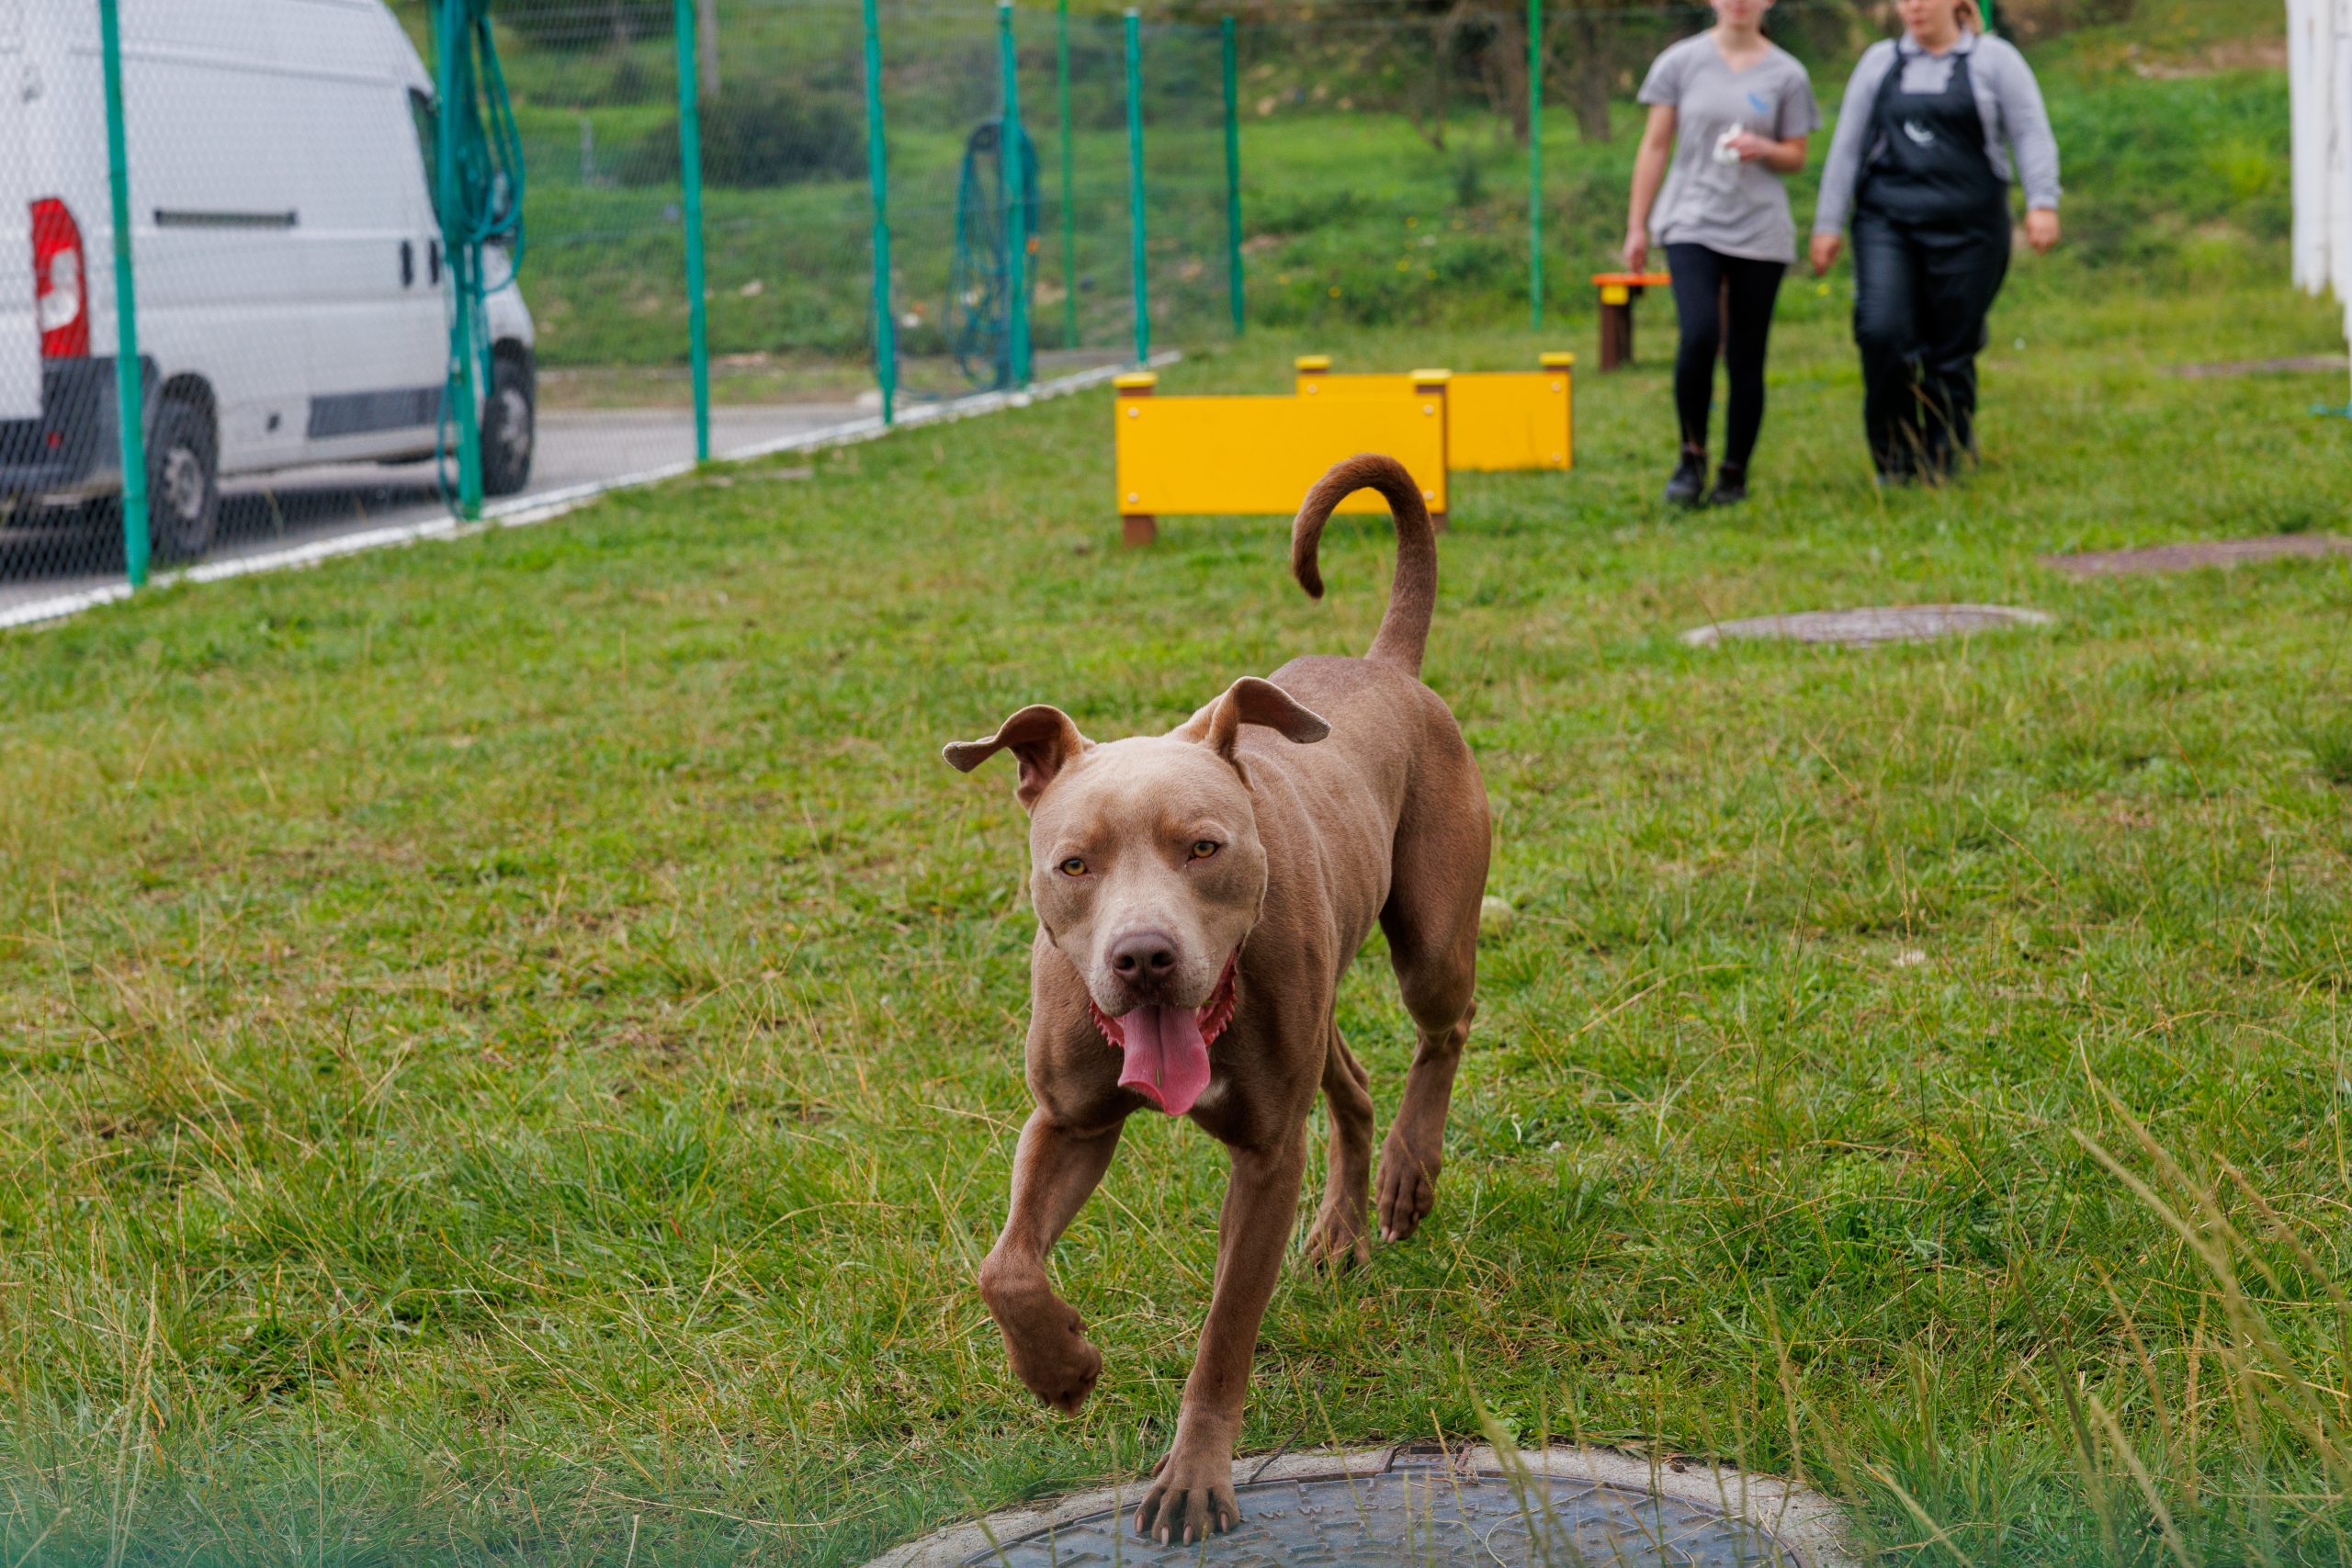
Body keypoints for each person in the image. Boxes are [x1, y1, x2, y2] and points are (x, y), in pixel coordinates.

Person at [1811, 0, 2061, 481]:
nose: (1915, 7)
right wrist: (1827, 223)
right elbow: (1846, 147)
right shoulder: (1879, 64)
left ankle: (1944, 454)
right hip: (1888, 223)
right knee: (1882, 331)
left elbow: (2030, 132)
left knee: (1951, 346)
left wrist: (2042, 202)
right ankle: (1894, 455)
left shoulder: (1995, 61)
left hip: (1971, 230)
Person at [1623, 0, 1819, 507]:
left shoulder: (1788, 74)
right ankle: (1691, 457)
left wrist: (1766, 149)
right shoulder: (1679, 62)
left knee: (1746, 355)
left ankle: (1734, 473)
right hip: (1692, 220)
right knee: (1700, 334)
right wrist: (1636, 226)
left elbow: (1798, 155)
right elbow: (1654, 145)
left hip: (1760, 228)